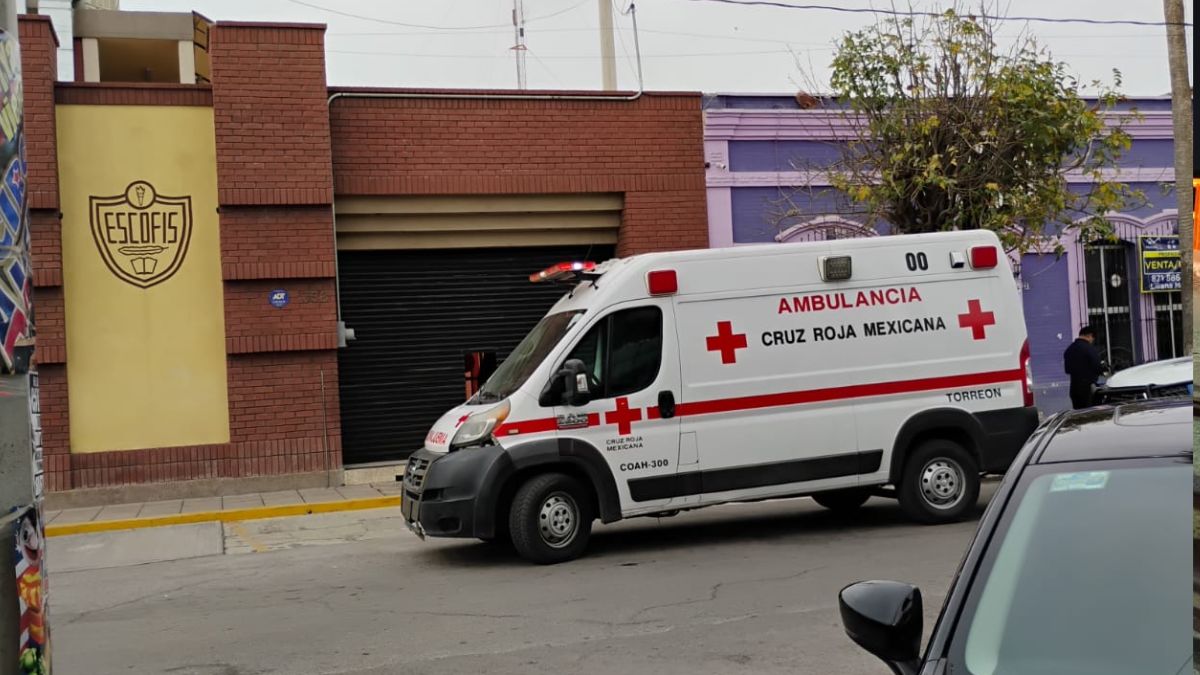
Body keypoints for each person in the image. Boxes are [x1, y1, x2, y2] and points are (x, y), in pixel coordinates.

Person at [1063, 326, 1104, 409]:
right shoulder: (1089, 349)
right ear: (1090, 336)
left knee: (1078, 413)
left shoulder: (1069, 349)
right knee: (1089, 413)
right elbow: (1097, 367)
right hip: (1088, 388)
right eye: (1093, 338)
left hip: (1074, 387)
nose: (1092, 341)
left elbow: (1067, 370)